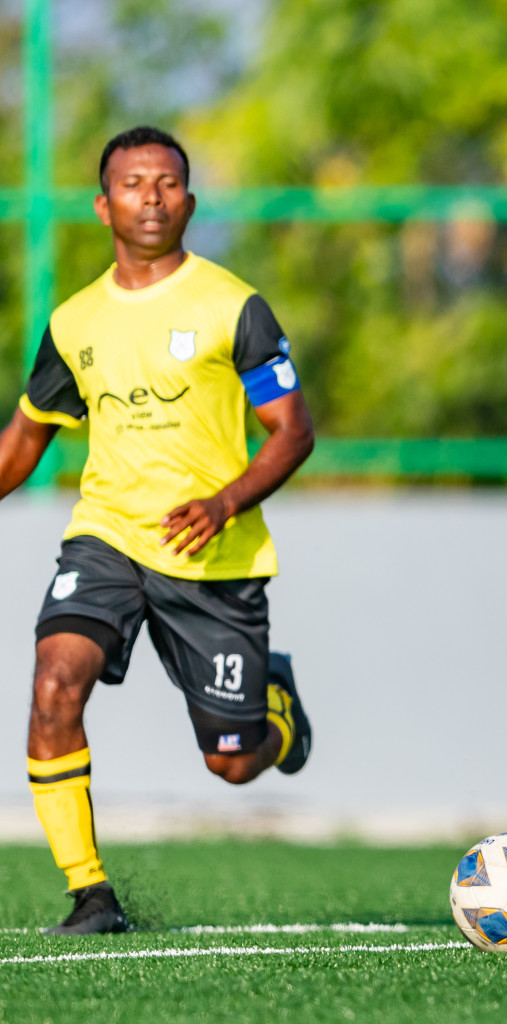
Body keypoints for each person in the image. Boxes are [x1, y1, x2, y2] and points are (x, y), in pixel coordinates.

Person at [10, 126, 315, 935]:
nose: (151, 195)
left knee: (233, 763)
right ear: (103, 204)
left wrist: (223, 503)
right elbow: (22, 443)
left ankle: (275, 711)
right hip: (105, 539)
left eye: (168, 182)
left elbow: (292, 432)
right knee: (52, 685)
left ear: (189, 199)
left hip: (210, 555)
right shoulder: (74, 323)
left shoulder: (232, 305)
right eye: (133, 183)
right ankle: (90, 894)